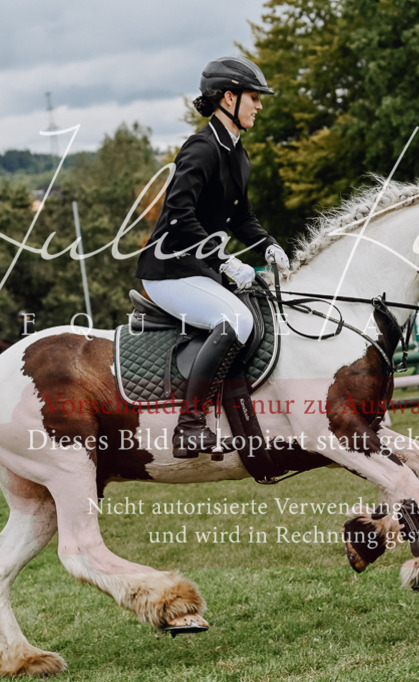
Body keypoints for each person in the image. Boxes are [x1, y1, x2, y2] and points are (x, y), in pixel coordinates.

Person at [135, 55, 290, 458]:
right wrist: (224, 261)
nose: (259, 105)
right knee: (235, 320)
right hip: (169, 271)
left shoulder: (238, 154)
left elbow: (241, 216)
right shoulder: (201, 149)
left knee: (256, 308)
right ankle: (189, 425)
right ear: (227, 98)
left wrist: (267, 244)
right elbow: (179, 216)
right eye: (253, 97)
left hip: (197, 267)